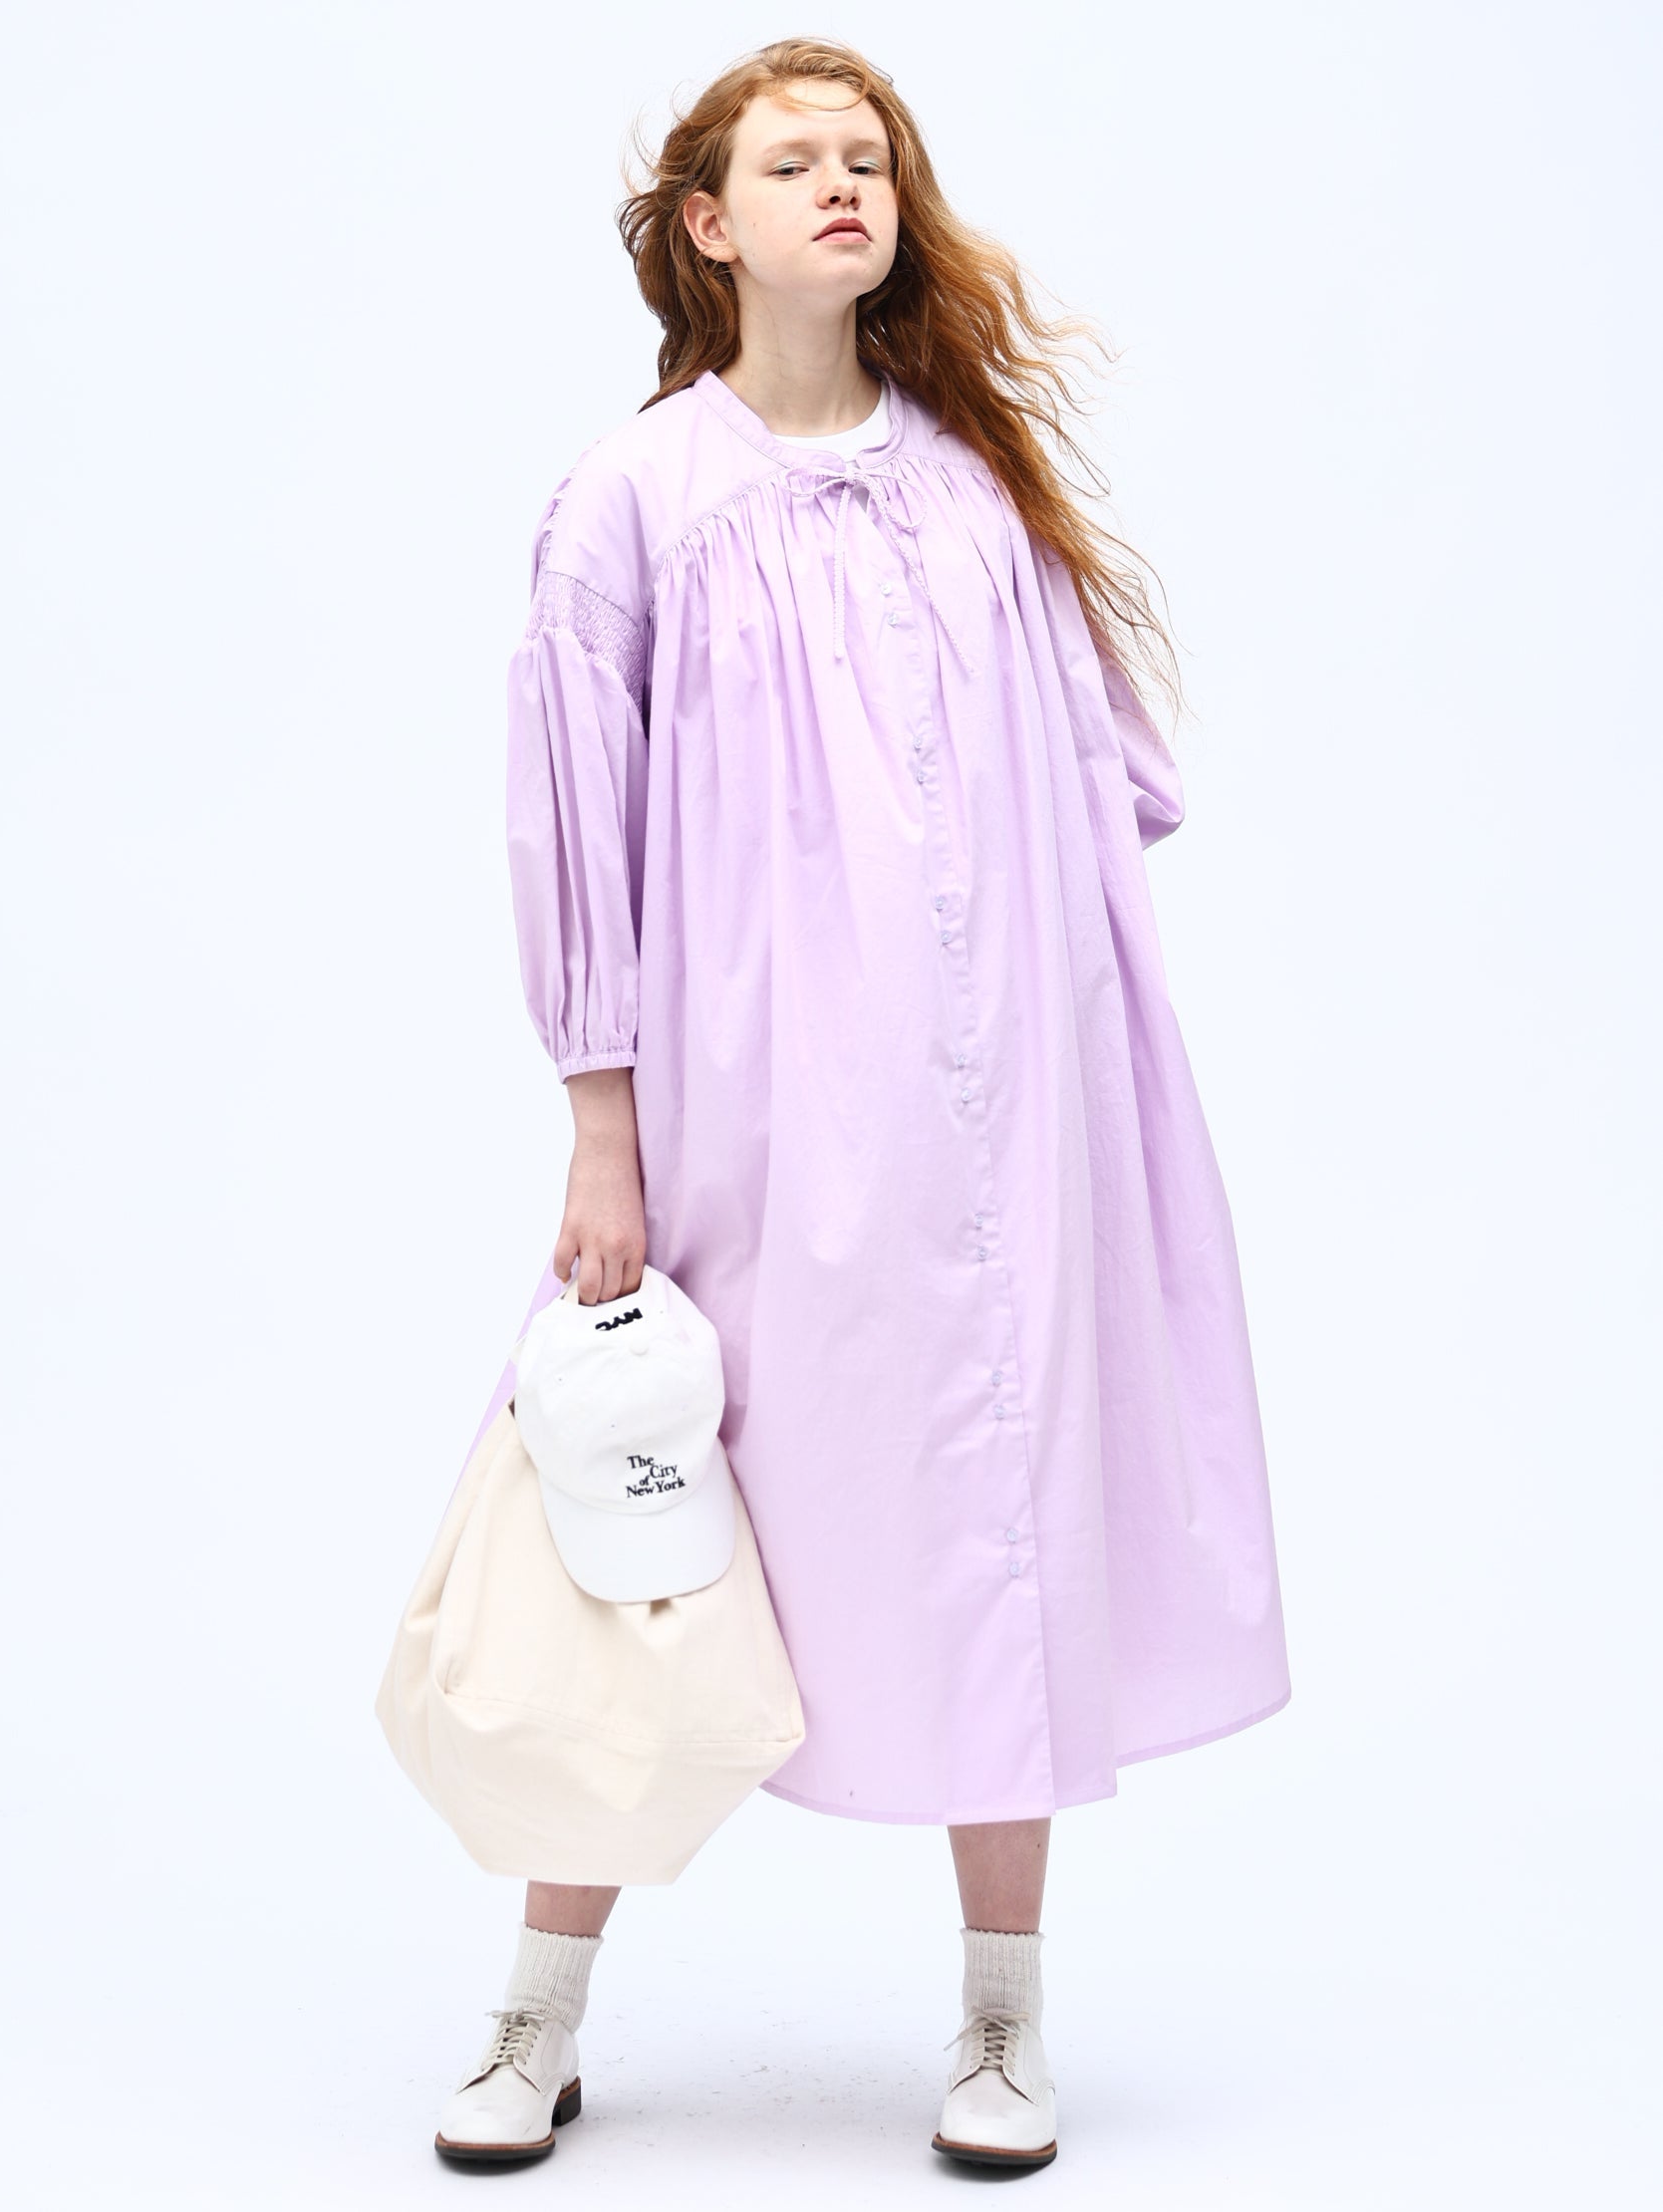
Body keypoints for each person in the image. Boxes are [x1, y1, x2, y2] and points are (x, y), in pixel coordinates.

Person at [433, 35, 1290, 2171]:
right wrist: (603, 1126)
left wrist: (1085, 1081)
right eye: (792, 162)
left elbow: (1090, 792)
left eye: (869, 161)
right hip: (747, 1110)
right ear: (707, 226)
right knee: (644, 1513)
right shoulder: (635, 501)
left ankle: (1000, 2016)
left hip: (999, 1117)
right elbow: (577, 829)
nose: (842, 186)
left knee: (999, 1503)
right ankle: (538, 2010)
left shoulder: (971, 495)